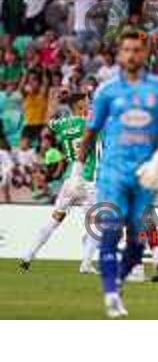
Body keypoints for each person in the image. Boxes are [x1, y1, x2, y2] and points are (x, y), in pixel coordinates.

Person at [77, 29, 158, 318]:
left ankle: (117, 284)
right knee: (110, 230)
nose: (132, 55)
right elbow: (90, 131)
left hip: (145, 174)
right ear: (119, 54)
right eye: (127, 50)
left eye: (137, 49)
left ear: (145, 54)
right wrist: (76, 169)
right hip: (113, 172)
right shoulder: (107, 91)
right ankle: (110, 293)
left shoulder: (157, 88)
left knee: (137, 241)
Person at [19, 94, 99, 274]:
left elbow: (49, 121)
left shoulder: (62, 124)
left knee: (55, 219)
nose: (89, 106)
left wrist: (55, 98)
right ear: (80, 106)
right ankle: (86, 263)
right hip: (89, 180)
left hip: (70, 180)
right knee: (97, 224)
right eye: (87, 103)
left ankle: (28, 254)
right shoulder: (89, 124)